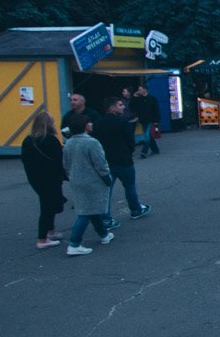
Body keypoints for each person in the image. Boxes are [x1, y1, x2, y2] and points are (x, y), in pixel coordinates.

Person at [61, 113, 115, 255]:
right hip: (92, 181)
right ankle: (74, 243)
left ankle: (103, 234)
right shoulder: (92, 142)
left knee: (91, 208)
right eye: (89, 122)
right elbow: (100, 164)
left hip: (76, 180)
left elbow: (65, 164)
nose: (91, 124)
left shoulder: (69, 143)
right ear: (85, 125)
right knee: (85, 212)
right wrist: (107, 178)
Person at [97, 96, 152, 224]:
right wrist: (129, 151)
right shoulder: (122, 122)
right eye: (120, 105)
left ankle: (105, 218)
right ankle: (135, 209)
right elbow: (130, 142)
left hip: (106, 161)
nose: (123, 107)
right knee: (129, 186)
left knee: (107, 191)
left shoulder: (98, 123)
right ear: (112, 107)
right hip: (124, 160)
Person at [21, 112, 66, 249]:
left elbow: (25, 161)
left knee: (47, 203)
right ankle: (42, 238)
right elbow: (59, 160)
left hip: (36, 178)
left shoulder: (28, 140)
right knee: (48, 207)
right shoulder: (51, 140)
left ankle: (51, 230)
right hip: (51, 177)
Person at [132, 83, 160, 158]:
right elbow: (132, 107)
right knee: (149, 135)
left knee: (147, 136)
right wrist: (134, 97)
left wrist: (156, 120)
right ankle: (155, 149)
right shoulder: (138, 99)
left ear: (145, 90)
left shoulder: (152, 98)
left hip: (151, 120)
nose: (138, 91)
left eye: (140, 89)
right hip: (143, 120)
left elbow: (156, 110)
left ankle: (144, 152)